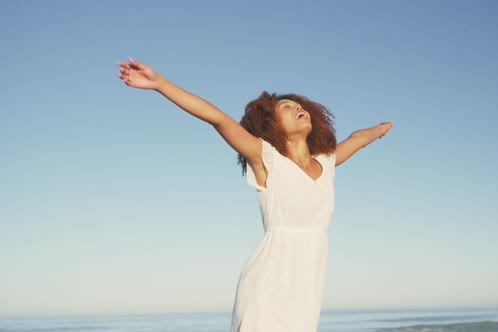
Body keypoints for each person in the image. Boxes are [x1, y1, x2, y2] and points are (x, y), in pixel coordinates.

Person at [117, 57, 392, 332]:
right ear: (271, 124)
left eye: (300, 106)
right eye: (287, 107)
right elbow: (217, 118)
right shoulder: (267, 159)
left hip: (306, 290)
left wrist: (382, 129)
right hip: (268, 282)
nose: (299, 108)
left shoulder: (326, 163)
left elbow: (357, 138)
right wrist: (159, 83)